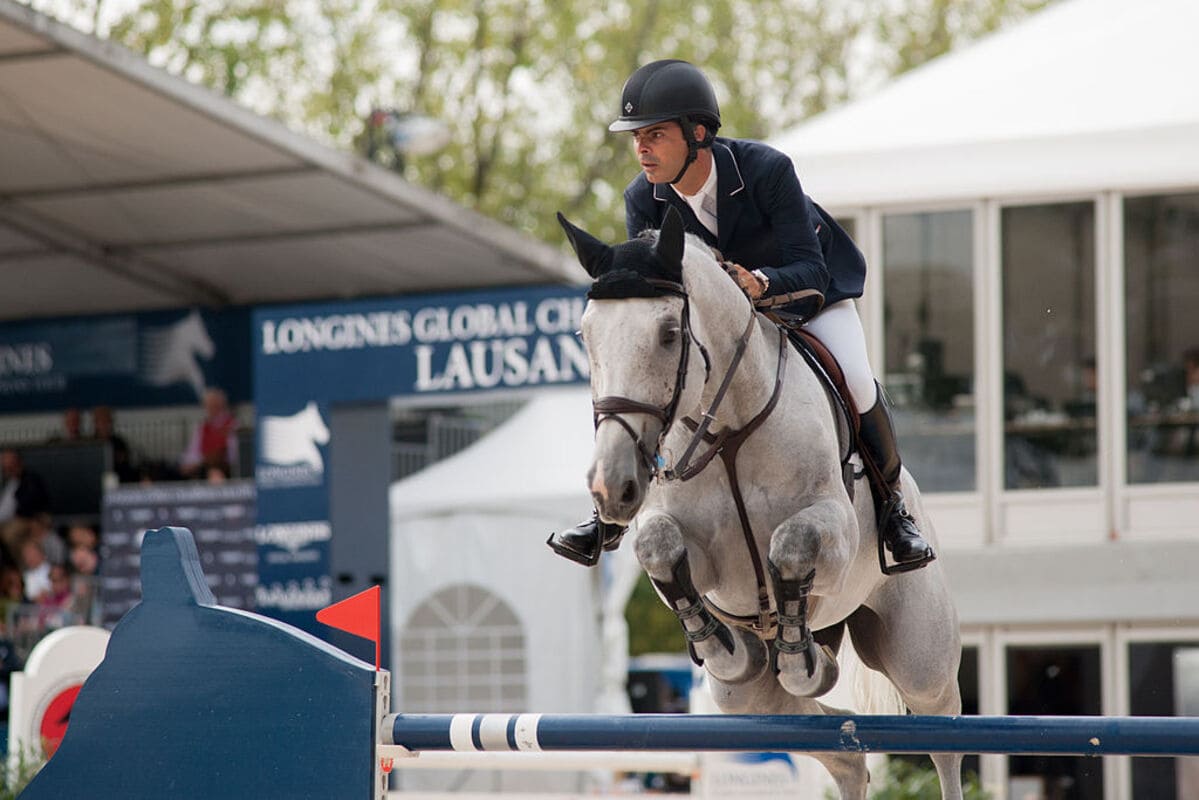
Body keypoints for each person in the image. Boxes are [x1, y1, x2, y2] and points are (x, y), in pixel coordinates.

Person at [549, 59, 934, 571]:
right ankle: (611, 517)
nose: (641, 148)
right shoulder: (642, 198)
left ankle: (893, 513)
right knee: (639, 375)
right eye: (637, 136)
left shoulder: (766, 171)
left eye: (655, 135)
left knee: (859, 382)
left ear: (698, 133)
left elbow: (810, 268)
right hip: (724, 329)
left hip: (803, 300)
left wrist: (761, 283)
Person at [179, 388, 238, 479]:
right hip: (203, 468)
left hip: (225, 470)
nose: (211, 408)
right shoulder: (202, 428)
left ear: (222, 405)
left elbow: (234, 454)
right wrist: (191, 463)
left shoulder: (233, 425)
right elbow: (192, 452)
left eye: (214, 405)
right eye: (208, 405)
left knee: (215, 473)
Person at [0, 448, 50, 526]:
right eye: (4, 468)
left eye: (11, 467)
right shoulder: (9, 482)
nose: (7, 471)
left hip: (21, 522)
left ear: (20, 463)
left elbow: (29, 508)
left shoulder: (31, 481)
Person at [92, 405, 139, 483]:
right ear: (96, 423)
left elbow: (125, 464)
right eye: (102, 421)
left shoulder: (119, 442)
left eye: (107, 421)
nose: (105, 425)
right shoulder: (90, 443)